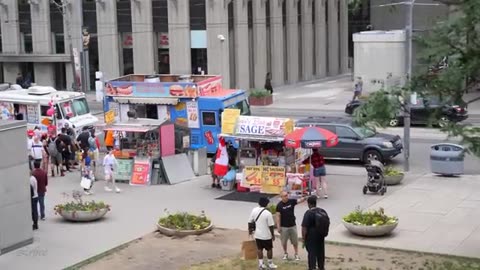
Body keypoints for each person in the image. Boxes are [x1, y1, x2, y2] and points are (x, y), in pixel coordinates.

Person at [276, 191, 307, 261]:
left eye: (287, 195)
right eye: (285, 196)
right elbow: (278, 216)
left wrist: (305, 197)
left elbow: (299, 201)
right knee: (284, 242)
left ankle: (296, 254)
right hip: (284, 227)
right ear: (281, 197)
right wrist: (278, 226)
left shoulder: (291, 201)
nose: (286, 197)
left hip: (292, 225)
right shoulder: (279, 205)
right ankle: (285, 253)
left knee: (295, 241)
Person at [301, 195, 330, 270]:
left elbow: (304, 228)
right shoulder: (322, 211)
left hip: (311, 237)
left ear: (309, 204)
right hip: (320, 235)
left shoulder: (308, 213)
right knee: (321, 253)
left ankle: (312, 267)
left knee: (312, 254)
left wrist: (304, 239)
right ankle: (321, 267)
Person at [248, 197, 277, 269]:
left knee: (259, 249)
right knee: (269, 249)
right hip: (266, 235)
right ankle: (270, 263)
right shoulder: (268, 213)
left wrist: (250, 230)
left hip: (257, 235)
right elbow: (271, 226)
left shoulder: (254, 210)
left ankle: (261, 264)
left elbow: (250, 221)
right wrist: (273, 235)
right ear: (267, 204)